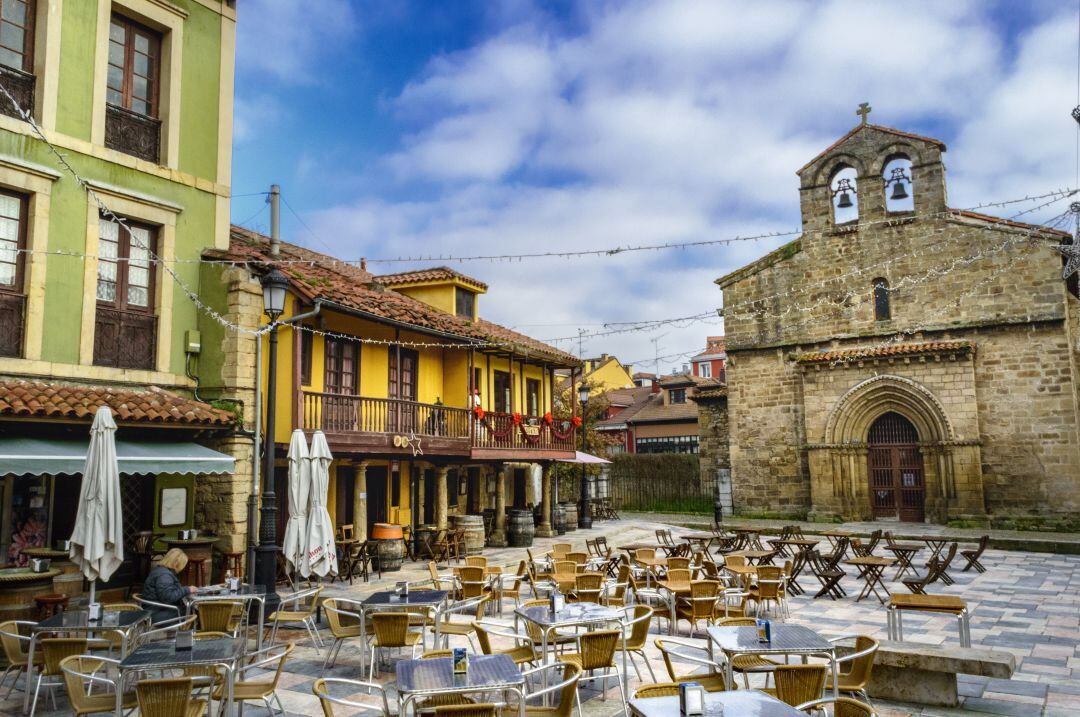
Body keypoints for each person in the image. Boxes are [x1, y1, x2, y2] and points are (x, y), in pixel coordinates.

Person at [141, 547, 196, 623]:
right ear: (176, 563)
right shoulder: (164, 575)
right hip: (156, 614)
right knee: (194, 613)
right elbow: (167, 597)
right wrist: (187, 589)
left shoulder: (160, 570)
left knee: (189, 609)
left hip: (154, 610)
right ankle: (191, 633)